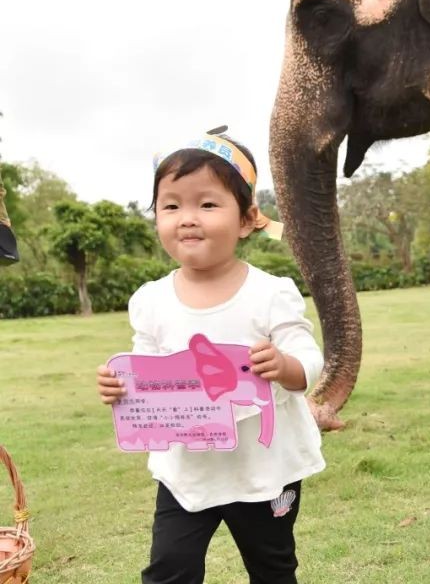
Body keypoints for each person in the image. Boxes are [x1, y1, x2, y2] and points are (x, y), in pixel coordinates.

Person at [95, 128, 323, 584]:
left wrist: (286, 366)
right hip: (186, 470)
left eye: (208, 204)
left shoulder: (270, 293)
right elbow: (147, 366)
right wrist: (123, 388)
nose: (187, 218)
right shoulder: (151, 300)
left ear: (247, 219)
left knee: (273, 567)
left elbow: (307, 356)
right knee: (169, 570)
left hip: (264, 470)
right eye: (172, 205)